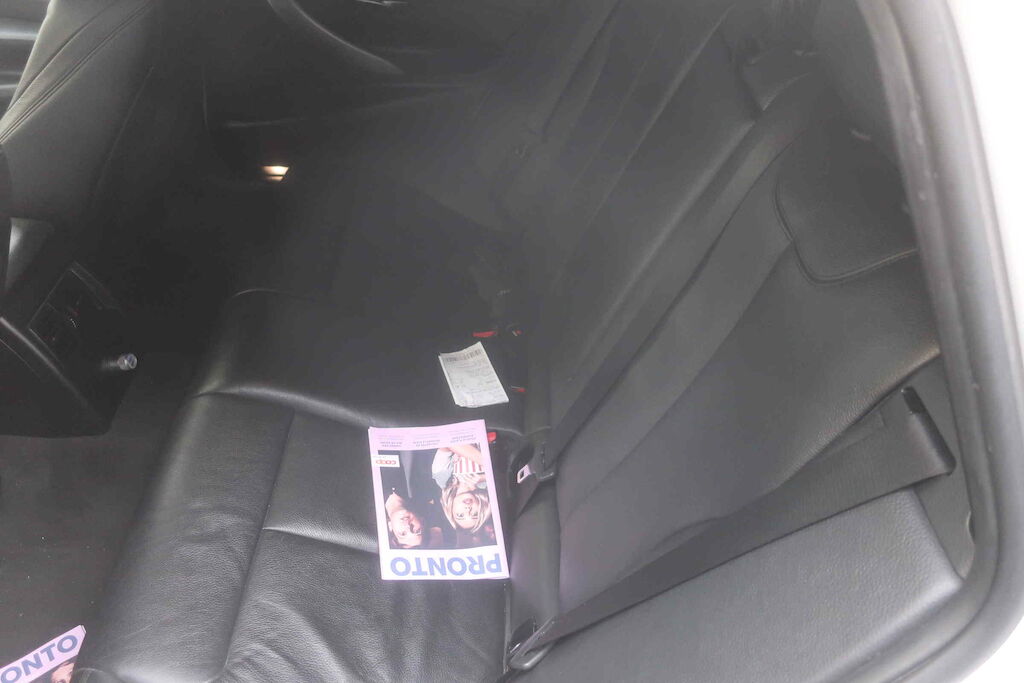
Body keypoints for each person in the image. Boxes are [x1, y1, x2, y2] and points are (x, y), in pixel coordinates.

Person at [432, 443, 494, 544]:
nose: (468, 510)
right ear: (482, 508)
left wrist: (487, 464)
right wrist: (486, 475)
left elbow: (448, 443)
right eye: (475, 514)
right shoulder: (487, 484)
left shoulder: (443, 479)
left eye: (460, 515)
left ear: (451, 509)